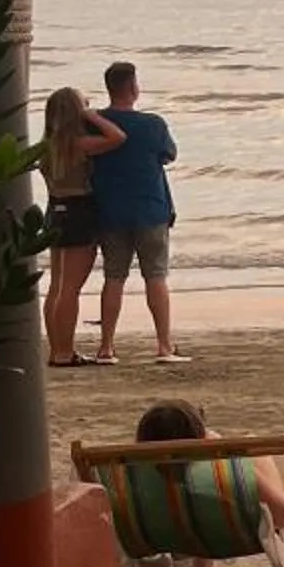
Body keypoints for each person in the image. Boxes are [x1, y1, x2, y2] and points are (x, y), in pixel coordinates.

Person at [133, 399, 284, 567]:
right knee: (252, 448)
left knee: (198, 494)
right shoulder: (219, 474)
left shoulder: (134, 479)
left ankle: (204, 566)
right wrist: (231, 457)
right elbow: (282, 516)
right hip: (235, 534)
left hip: (172, 539)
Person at [89, 58, 188, 367]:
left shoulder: (94, 122)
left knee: (113, 277)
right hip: (150, 208)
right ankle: (163, 344)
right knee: (156, 276)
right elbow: (168, 155)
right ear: (133, 87)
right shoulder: (152, 125)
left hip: (110, 208)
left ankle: (106, 346)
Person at [38, 86, 125, 368]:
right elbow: (117, 137)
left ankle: (57, 349)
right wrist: (92, 114)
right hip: (78, 211)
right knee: (70, 288)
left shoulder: (47, 146)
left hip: (55, 210)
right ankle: (65, 352)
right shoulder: (79, 143)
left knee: (57, 286)